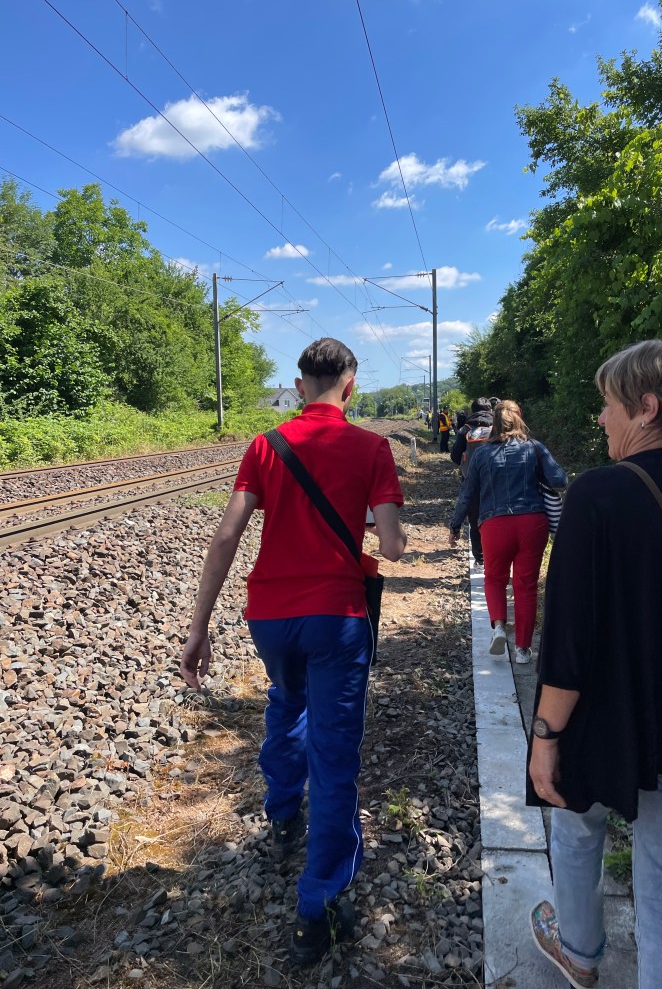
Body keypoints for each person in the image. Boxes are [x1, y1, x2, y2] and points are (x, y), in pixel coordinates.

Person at [527, 339, 662, 989]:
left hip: (599, 723)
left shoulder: (596, 495)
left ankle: (578, 952)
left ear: (646, 407)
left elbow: (568, 640)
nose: (601, 418)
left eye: (608, 404)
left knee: (576, 835)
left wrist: (545, 736)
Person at [179, 338, 407, 966]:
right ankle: (318, 908)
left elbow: (226, 538)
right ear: (350, 386)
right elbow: (391, 547)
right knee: (334, 755)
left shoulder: (265, 445)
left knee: (286, 703)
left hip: (270, 617)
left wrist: (198, 627)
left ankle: (282, 817)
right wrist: (386, 531)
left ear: (301, 387)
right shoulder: (371, 448)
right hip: (335, 618)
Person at [448, 400, 566, 661]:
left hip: (495, 524)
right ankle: (523, 650)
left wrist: (455, 525)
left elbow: (467, 494)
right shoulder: (534, 448)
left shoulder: (482, 454)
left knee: (494, 578)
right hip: (532, 523)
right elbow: (560, 480)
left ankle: (499, 626)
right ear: (519, 419)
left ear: (495, 423)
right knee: (526, 585)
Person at [450, 396, 494, 566]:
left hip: (471, 478)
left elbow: (455, 456)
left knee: (475, 518)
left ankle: (480, 558)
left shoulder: (465, 429)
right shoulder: (498, 427)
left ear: (472, 411)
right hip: (496, 479)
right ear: (490, 410)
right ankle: (495, 554)